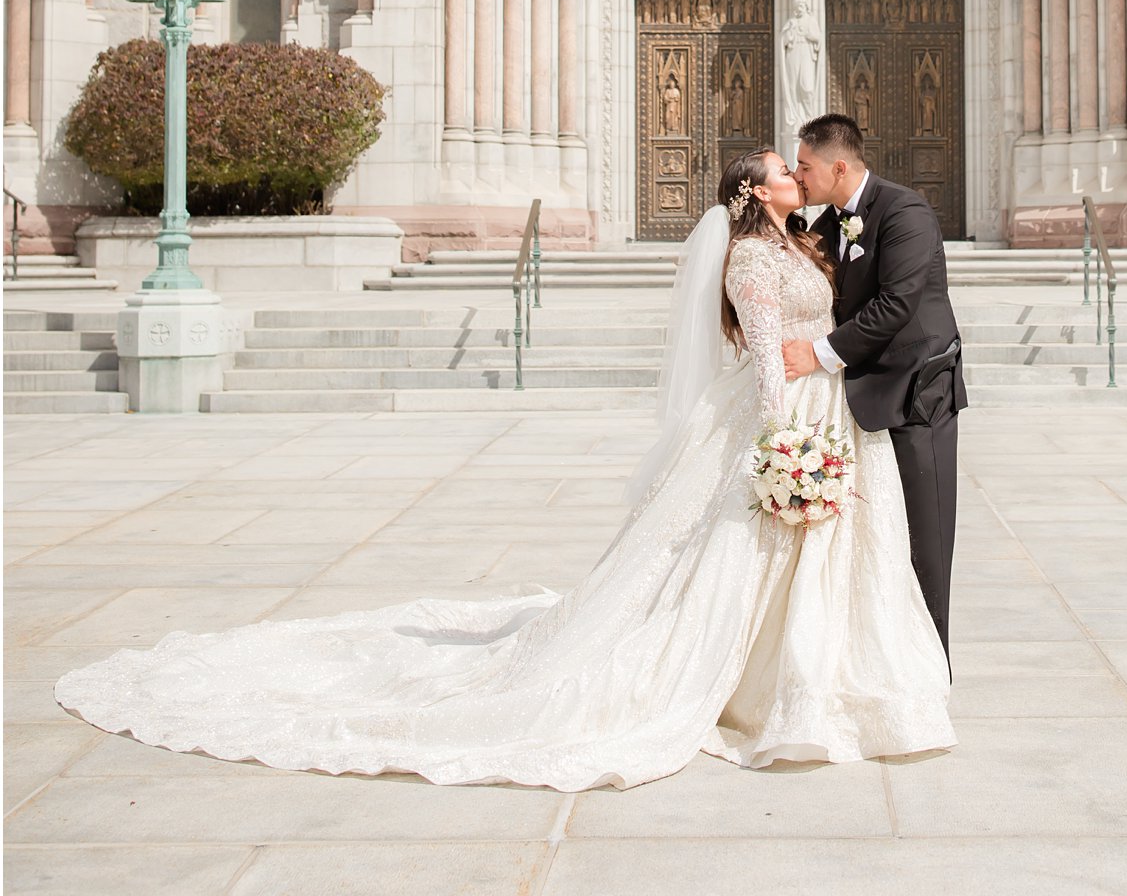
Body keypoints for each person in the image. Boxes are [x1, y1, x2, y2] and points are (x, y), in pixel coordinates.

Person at [54, 150, 952, 792]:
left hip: (824, 408)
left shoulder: (809, 242)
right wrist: (783, 444)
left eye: (803, 162)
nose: (798, 171)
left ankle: (832, 673)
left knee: (826, 564)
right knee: (734, 567)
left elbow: (859, 306)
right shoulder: (753, 257)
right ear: (754, 191)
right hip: (780, 418)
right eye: (782, 166)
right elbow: (762, 358)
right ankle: (766, 683)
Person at [786, 112, 966, 658]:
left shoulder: (903, 210)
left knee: (925, 537)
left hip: (918, 391)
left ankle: (935, 662)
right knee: (881, 537)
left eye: (804, 166)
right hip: (863, 396)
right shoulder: (830, 221)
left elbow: (896, 304)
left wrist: (817, 355)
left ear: (838, 167)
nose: (798, 177)